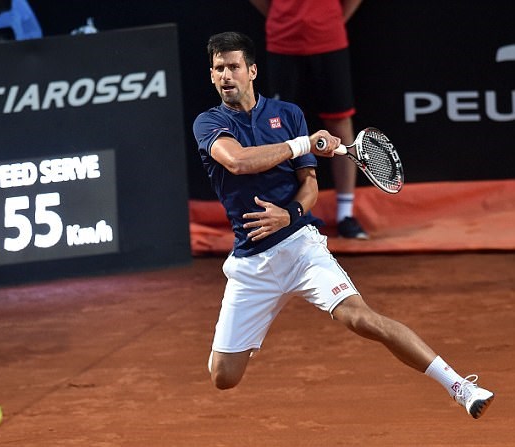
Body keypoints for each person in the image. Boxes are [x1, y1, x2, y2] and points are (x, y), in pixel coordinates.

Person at [192, 31, 494, 419]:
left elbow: (310, 188)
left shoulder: (289, 115)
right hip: (251, 265)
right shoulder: (209, 123)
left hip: (301, 248)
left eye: (233, 66)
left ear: (251, 70)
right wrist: (303, 144)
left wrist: (291, 214)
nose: (226, 75)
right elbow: (237, 162)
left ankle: (461, 387)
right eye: (219, 69)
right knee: (223, 377)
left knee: (362, 318)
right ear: (213, 76)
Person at [249, 0, 368, 239]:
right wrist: (281, 15)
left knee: (339, 121)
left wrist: (331, 20)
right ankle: (286, 213)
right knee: (279, 128)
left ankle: (345, 214)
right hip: (283, 40)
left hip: (329, 38)